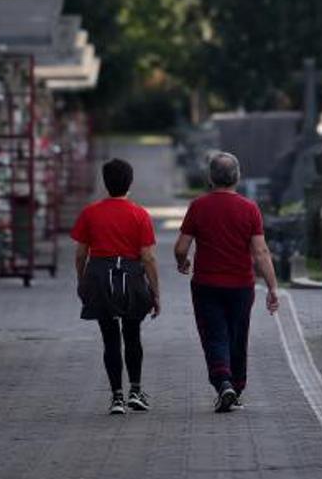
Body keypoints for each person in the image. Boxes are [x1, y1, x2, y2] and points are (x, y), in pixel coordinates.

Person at [174, 151, 280, 413]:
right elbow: (260, 252)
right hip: (241, 286)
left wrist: (182, 262)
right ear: (238, 177)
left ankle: (223, 382)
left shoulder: (198, 206)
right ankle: (236, 386)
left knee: (213, 334)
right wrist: (272, 287)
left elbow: (181, 246)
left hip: (207, 284)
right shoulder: (249, 208)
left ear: (210, 178)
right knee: (237, 335)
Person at [71, 158, 161, 415]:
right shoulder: (139, 214)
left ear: (105, 182)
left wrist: (82, 281)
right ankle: (136, 390)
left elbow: (80, 254)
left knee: (110, 338)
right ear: (130, 183)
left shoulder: (90, 213)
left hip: (100, 277)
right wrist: (155, 292)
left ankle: (116, 397)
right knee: (132, 335)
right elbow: (148, 257)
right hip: (131, 277)